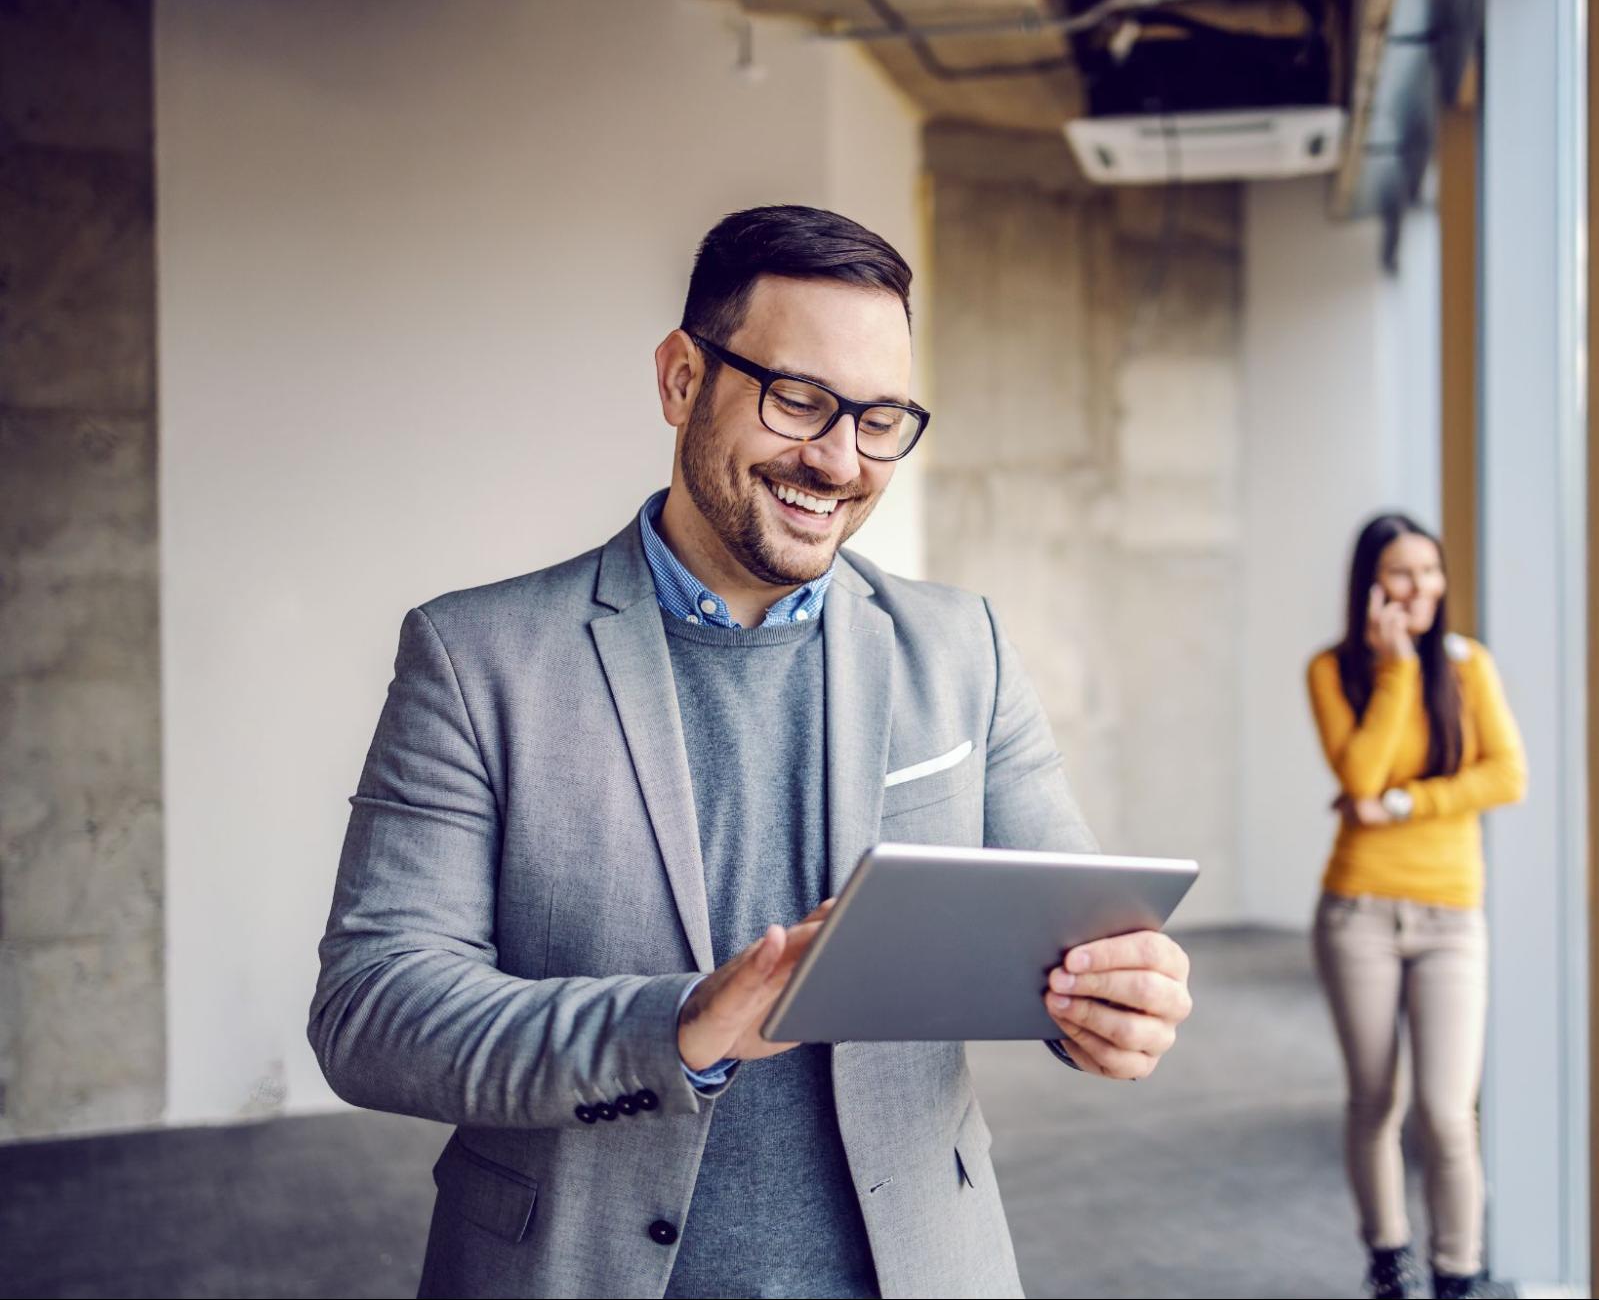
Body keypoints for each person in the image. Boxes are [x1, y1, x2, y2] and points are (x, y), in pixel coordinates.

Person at [309, 205, 1194, 1299]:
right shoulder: (474, 656)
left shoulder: (963, 647)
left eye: (880, 419)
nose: (838, 460)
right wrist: (677, 1028)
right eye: (800, 401)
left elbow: (1068, 930)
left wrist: (1110, 1001)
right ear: (683, 379)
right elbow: (373, 1008)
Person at [1305, 513, 1527, 1300]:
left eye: (1429, 572)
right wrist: (1395, 672)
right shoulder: (1332, 670)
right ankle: (1387, 1261)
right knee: (1375, 1099)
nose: (1420, 588)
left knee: (1445, 1110)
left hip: (1449, 917)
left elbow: (1507, 776)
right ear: (1369, 584)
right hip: (1357, 912)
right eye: (1401, 573)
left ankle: (1456, 1271)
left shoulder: (1469, 667)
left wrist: (1402, 804)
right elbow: (1355, 774)